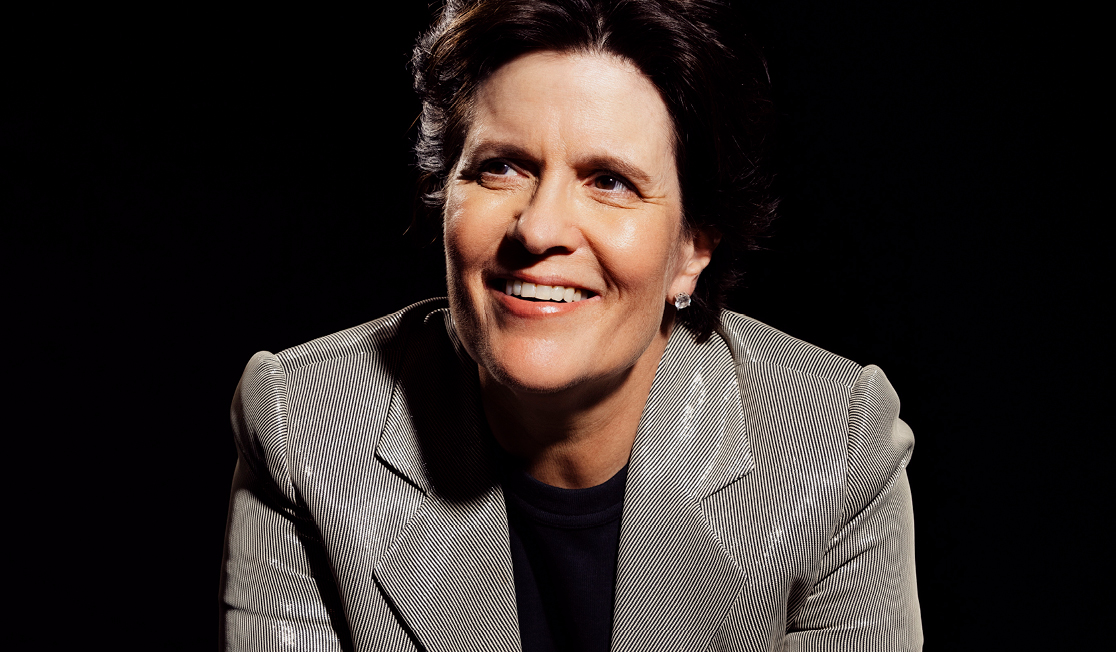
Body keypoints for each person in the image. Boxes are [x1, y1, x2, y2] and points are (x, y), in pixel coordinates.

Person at [220, 1, 922, 650]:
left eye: (609, 180)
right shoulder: (302, 427)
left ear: (693, 248)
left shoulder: (837, 447)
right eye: (500, 167)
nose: (540, 227)